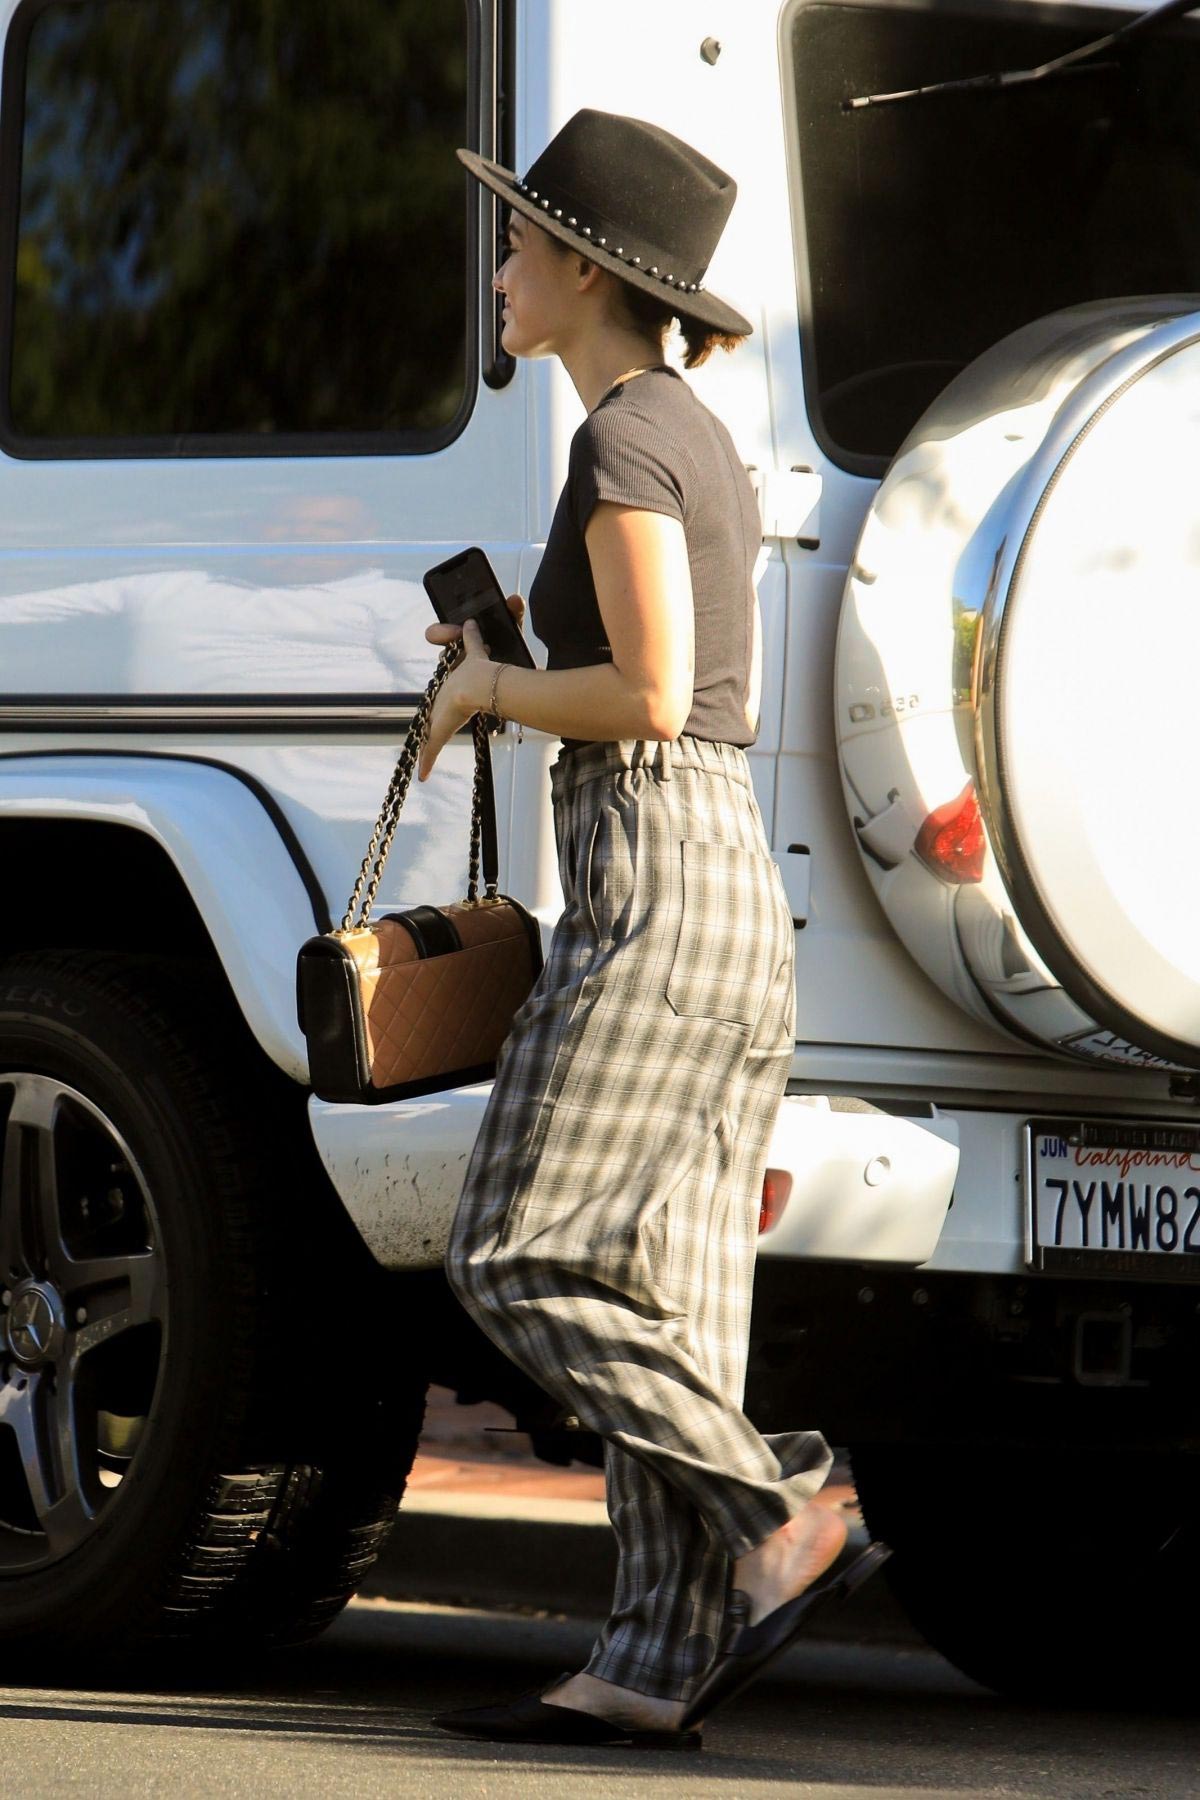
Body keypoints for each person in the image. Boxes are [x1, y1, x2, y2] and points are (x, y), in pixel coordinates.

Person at [416, 110, 886, 1751]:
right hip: (723, 896)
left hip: (657, 888)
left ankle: (781, 1508)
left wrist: (484, 683)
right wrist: (504, 644)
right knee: (667, 1305)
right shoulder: (676, 427)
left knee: (517, 1246)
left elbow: (650, 697)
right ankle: (648, 1662)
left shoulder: (623, 439)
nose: (499, 273)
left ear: (589, 276)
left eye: (521, 244)